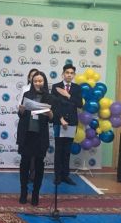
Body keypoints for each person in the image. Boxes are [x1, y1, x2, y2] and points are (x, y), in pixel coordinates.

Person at [16, 71, 55, 206]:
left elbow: (52, 119)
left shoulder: (49, 97)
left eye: (40, 81)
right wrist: (21, 110)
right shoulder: (27, 94)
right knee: (24, 164)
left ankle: (35, 194)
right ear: (32, 82)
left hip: (40, 136)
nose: (38, 83)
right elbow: (21, 115)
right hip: (27, 135)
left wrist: (50, 114)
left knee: (39, 165)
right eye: (35, 81)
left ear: (44, 82)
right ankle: (23, 192)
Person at [51, 64, 83, 185]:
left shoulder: (77, 88)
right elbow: (53, 105)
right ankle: (57, 176)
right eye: (67, 72)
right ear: (63, 74)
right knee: (59, 150)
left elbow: (79, 104)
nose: (69, 75)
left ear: (74, 75)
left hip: (72, 123)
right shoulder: (56, 87)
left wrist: (68, 95)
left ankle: (65, 176)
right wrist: (61, 119)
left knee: (67, 150)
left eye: (71, 73)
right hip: (59, 122)